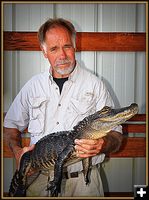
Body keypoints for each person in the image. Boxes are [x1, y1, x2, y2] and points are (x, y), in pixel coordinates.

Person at [4, 18, 123, 197]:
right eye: (54, 49)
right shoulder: (33, 86)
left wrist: (102, 144)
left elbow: (116, 134)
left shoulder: (95, 84)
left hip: (84, 184)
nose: (62, 55)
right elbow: (10, 127)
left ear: (75, 46)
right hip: (39, 181)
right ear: (44, 52)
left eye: (67, 46)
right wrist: (18, 152)